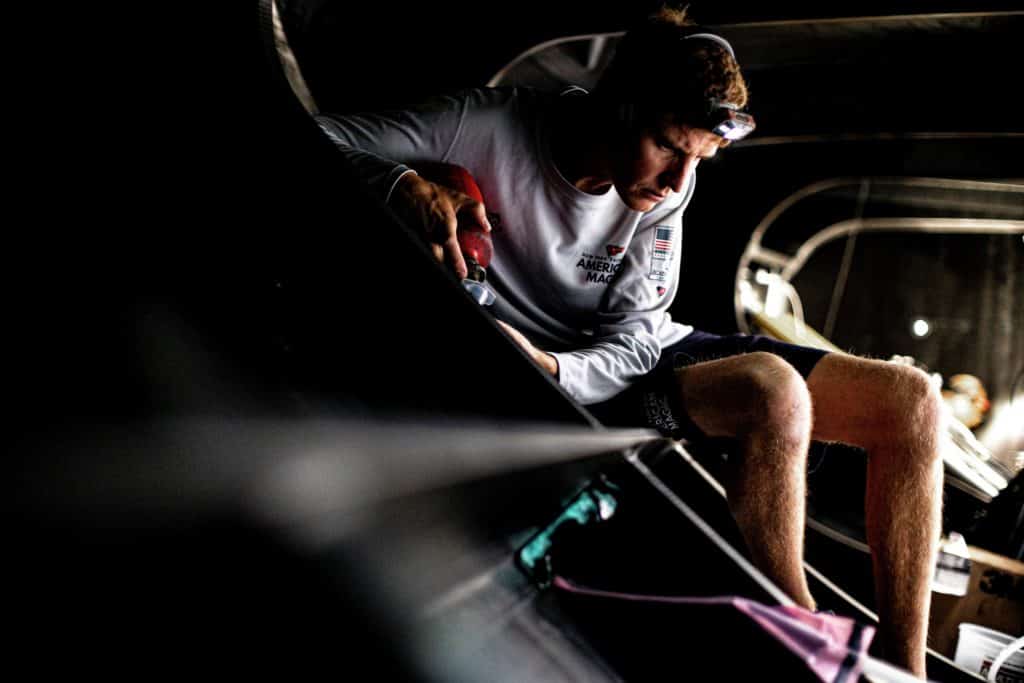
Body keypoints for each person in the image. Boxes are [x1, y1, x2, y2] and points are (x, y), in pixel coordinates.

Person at [315, 5, 943, 677]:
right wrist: (399, 182)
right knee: (772, 392)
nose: (679, 179)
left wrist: (556, 367)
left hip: (602, 361)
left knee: (910, 401)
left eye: (698, 158)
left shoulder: (671, 184)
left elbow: (640, 339)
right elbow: (314, 134)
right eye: (671, 147)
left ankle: (906, 673)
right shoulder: (488, 123)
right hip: (538, 372)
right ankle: (808, 649)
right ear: (620, 105)